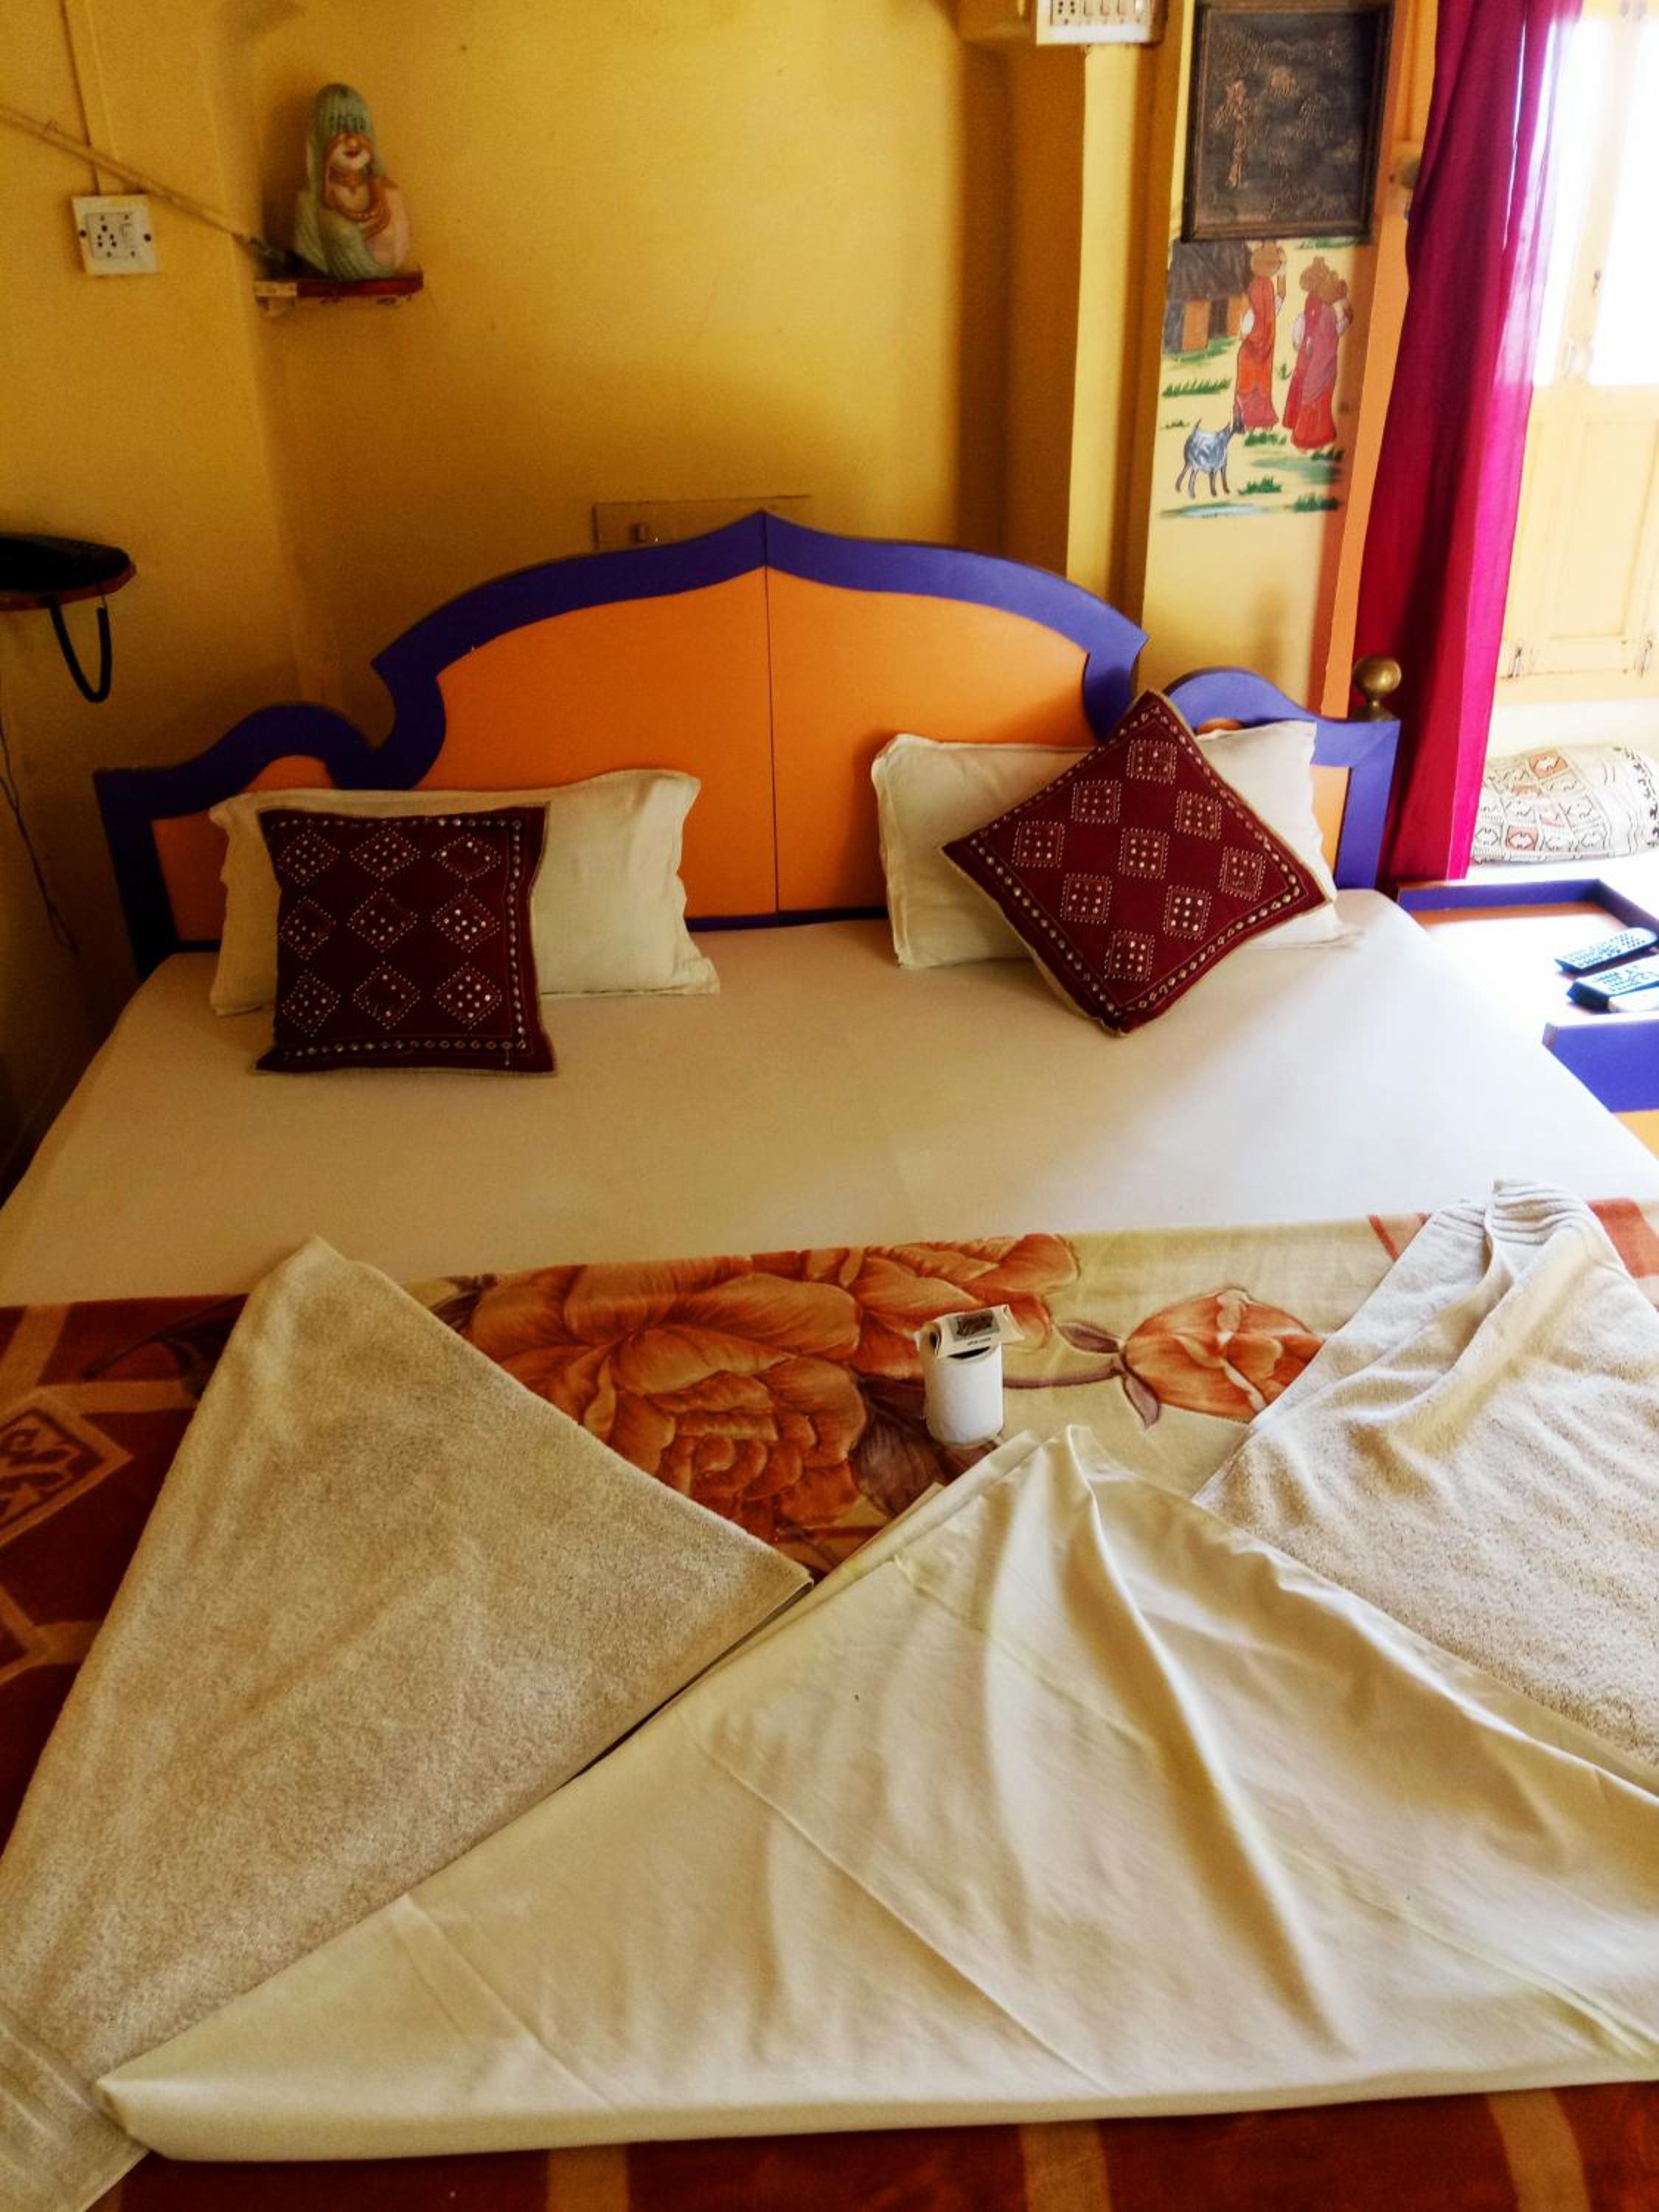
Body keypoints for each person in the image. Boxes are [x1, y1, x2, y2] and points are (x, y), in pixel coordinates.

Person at [1283, 258, 1352, 451]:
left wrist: (1300, 344)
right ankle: (1316, 440)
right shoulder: (1329, 311)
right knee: (1318, 404)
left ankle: (1308, 440)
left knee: (1311, 402)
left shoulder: (1317, 309)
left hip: (1313, 363)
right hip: (1324, 366)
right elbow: (1339, 328)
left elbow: (1301, 333)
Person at [1234, 242, 1286, 430]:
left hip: (1250, 348)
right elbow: (1281, 298)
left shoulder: (1253, 287)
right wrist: (1284, 270)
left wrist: (1244, 333)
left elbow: (1248, 320)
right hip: (1266, 347)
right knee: (1262, 384)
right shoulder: (1269, 287)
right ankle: (1264, 422)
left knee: (1247, 384)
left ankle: (1247, 422)